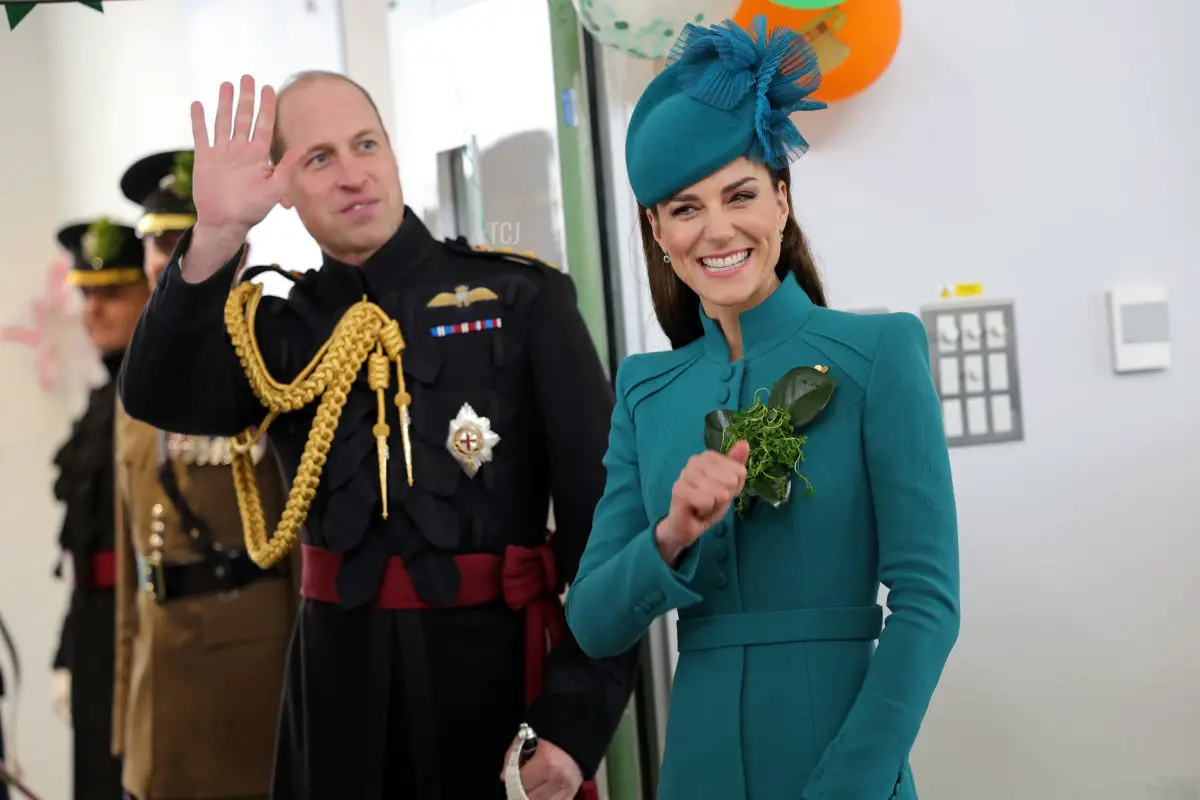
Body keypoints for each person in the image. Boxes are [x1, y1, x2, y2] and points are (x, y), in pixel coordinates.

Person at [117, 70, 640, 799]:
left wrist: (575, 721)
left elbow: (605, 528)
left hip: (495, 689)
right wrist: (217, 235)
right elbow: (156, 394)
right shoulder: (280, 325)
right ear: (285, 188)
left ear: (393, 155)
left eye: (366, 144)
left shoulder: (521, 299)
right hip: (336, 698)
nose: (353, 174)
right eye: (318, 158)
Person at [564, 15, 961, 800]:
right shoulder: (645, 390)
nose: (718, 229)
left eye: (740, 194)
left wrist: (851, 785)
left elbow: (928, 605)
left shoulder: (880, 355)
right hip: (697, 771)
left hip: (844, 768)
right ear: (657, 230)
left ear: (781, 200)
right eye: (684, 208)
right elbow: (594, 623)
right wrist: (672, 533)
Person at [111, 148, 299, 800]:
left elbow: (300, 542)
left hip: (248, 670)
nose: (168, 258)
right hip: (159, 671)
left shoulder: (269, 363)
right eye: (159, 245)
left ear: (236, 252)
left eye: (182, 241)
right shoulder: (136, 384)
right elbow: (133, 552)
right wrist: (121, 710)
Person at [50, 217, 150, 800]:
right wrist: (67, 648)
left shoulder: (159, 399)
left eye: (113, 292)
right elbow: (80, 545)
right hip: (95, 627)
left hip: (145, 624)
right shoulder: (97, 403)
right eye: (87, 294)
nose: (95, 310)